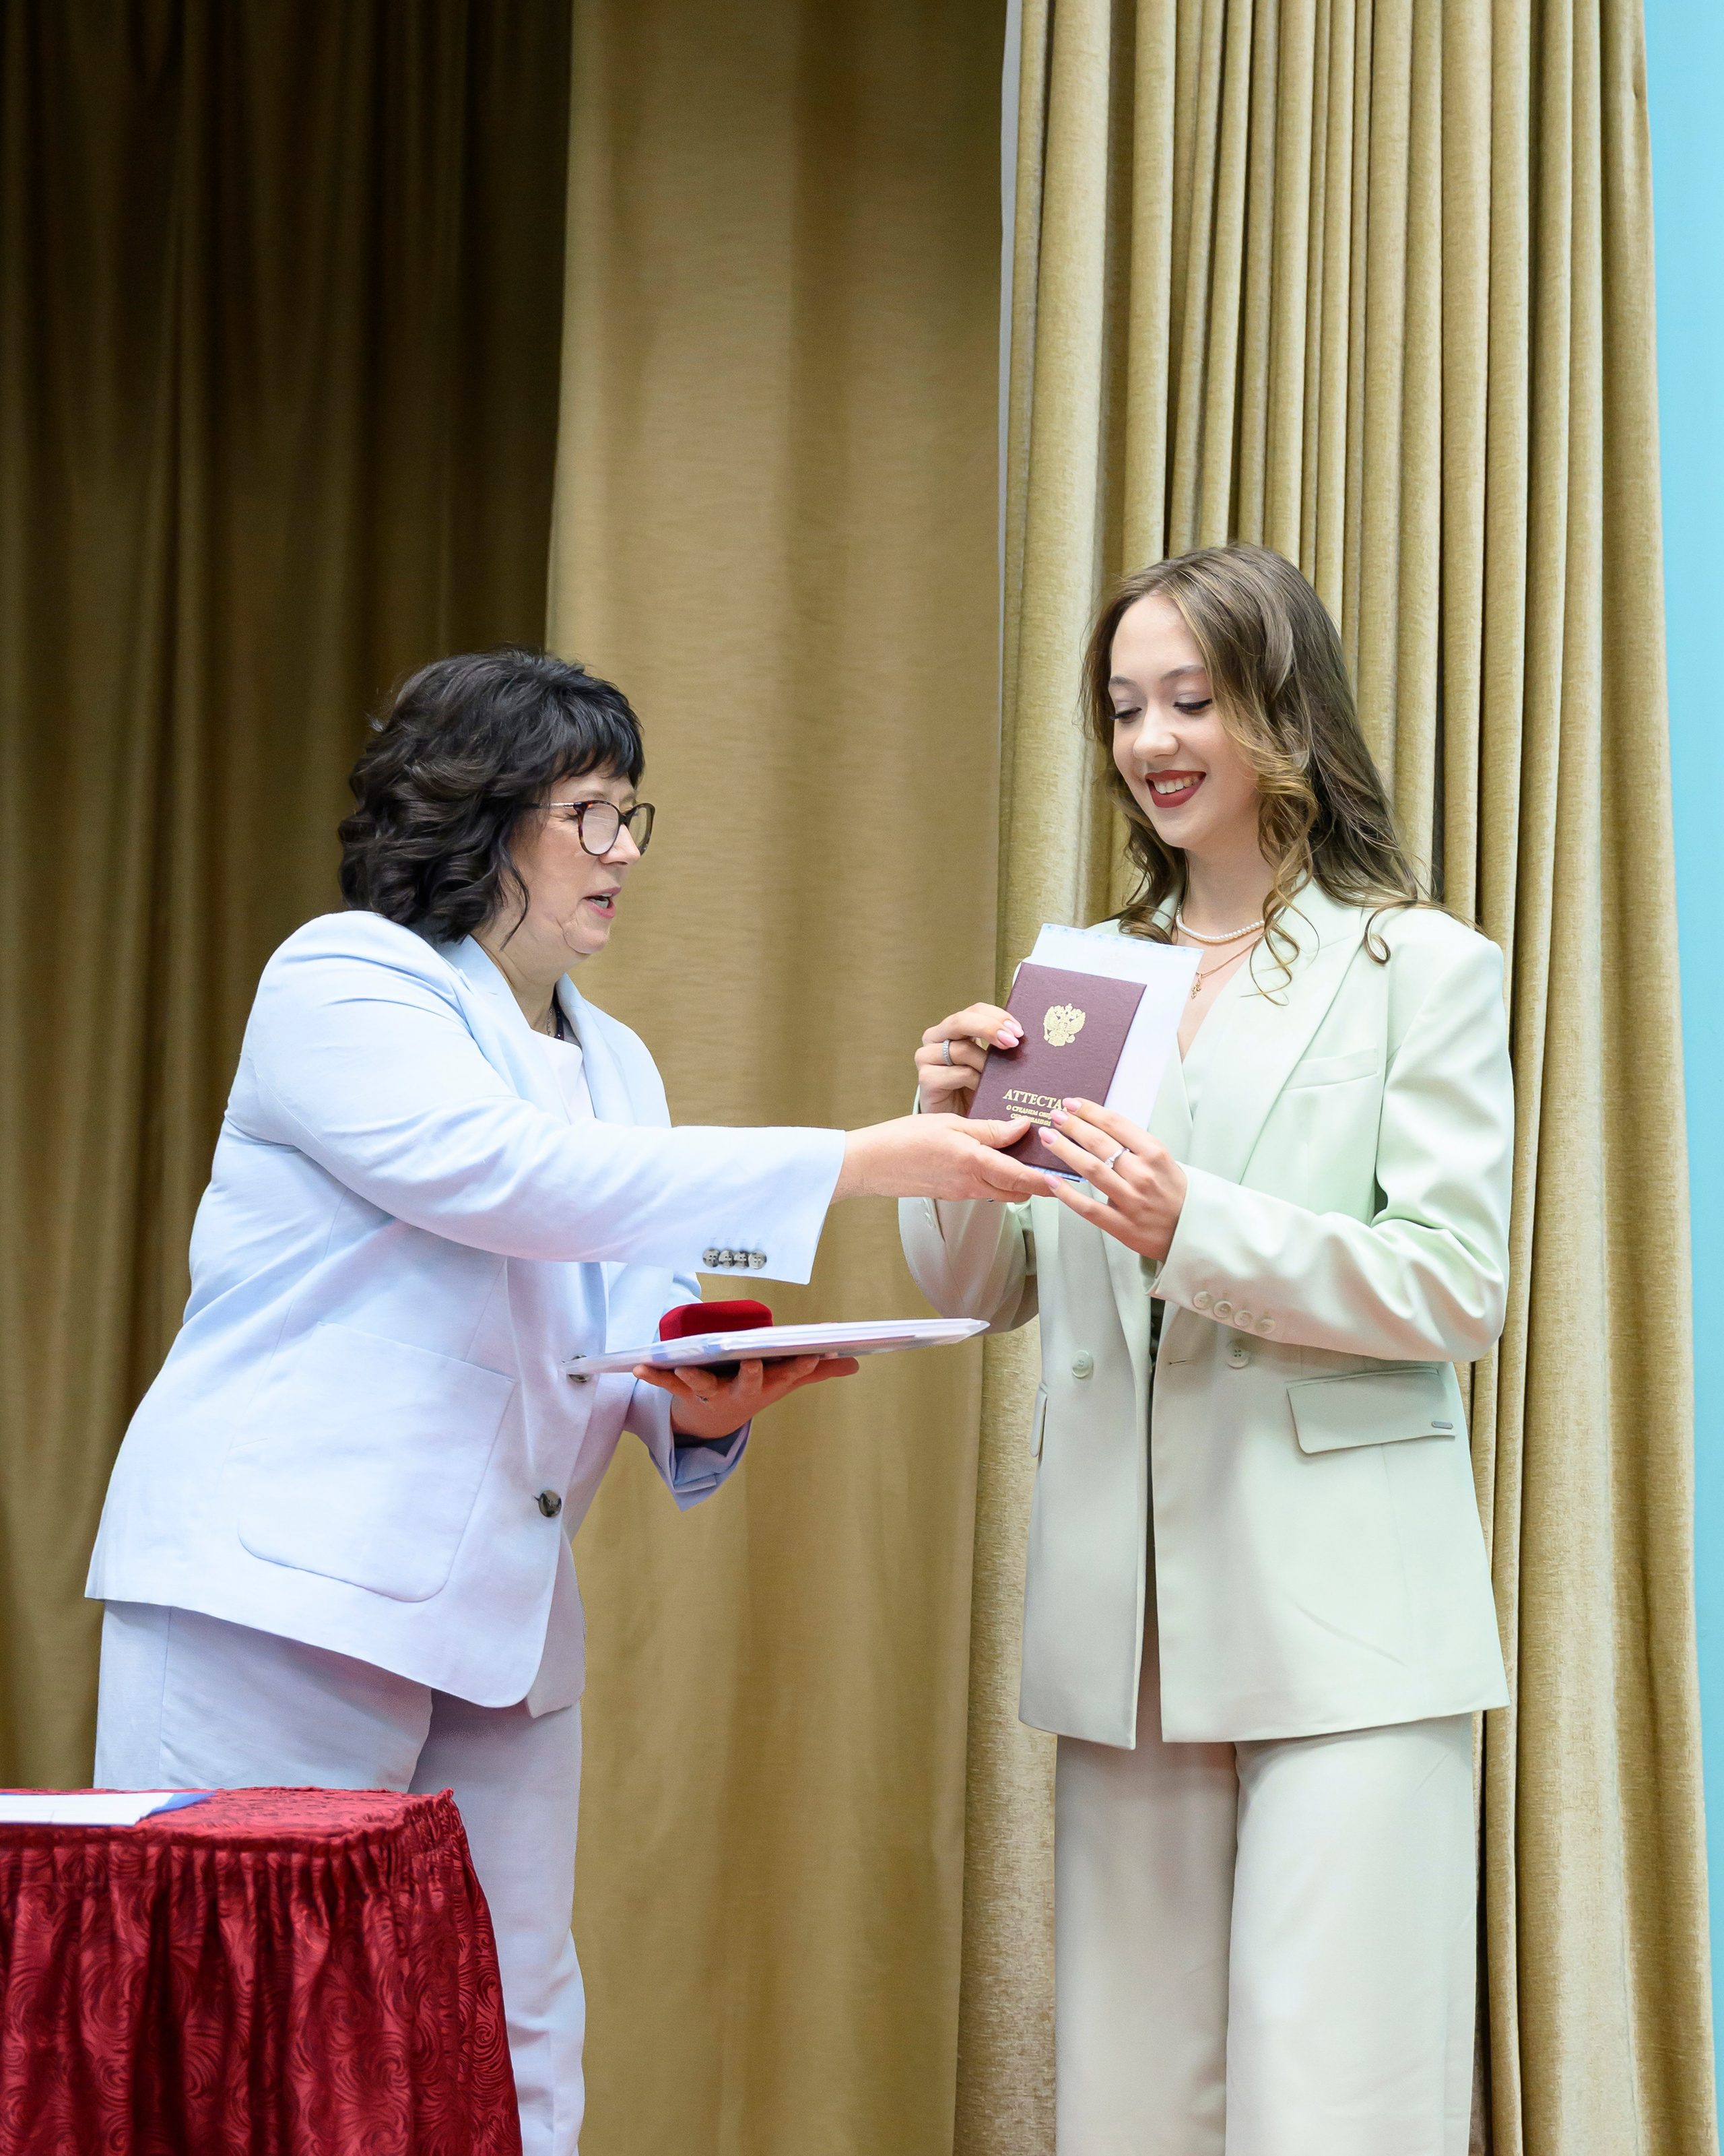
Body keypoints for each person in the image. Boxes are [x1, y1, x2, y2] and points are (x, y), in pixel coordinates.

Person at [88, 647, 1041, 2156]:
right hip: (277, 1591)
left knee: (511, 2026)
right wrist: (855, 1162)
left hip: (501, 1618)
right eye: (587, 814)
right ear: (482, 816)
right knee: (242, 2020)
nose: (619, 855)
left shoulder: (617, 1059)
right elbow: (506, 1182)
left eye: (627, 816)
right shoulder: (344, 977)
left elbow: (630, 1299)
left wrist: (703, 1398)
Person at [901, 545, 1511, 2155]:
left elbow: (1455, 1284)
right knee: (1129, 2103)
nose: (1153, 738)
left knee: (1340, 2106)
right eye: (1122, 706)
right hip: (1132, 1623)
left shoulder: (1413, 965)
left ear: (1280, 709)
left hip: (1344, 1618)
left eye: (1190, 697)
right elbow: (988, 1286)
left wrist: (1199, 1228)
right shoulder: (1082, 977)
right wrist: (942, 1134)